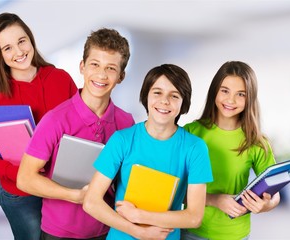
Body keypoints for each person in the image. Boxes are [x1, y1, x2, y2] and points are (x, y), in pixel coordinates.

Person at [16, 28, 135, 239]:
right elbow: (25, 179)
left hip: (106, 230)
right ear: (82, 67)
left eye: (110, 68)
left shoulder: (126, 122)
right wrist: (75, 196)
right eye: (95, 64)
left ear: (121, 76)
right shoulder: (55, 119)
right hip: (59, 233)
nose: (101, 75)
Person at [0, 12, 77, 240]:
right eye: (7, 48)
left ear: (30, 39)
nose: (19, 52)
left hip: (60, 186)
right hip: (20, 193)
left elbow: (79, 125)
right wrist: (15, 172)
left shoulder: (60, 79)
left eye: (21, 41)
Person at [83, 64, 213, 239]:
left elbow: (194, 217)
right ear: (146, 96)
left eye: (174, 96)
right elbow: (91, 202)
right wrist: (139, 231)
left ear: (183, 103)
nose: (165, 101)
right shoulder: (122, 140)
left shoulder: (195, 148)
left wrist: (140, 216)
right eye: (157, 92)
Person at [181, 61, 280, 240]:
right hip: (192, 231)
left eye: (241, 94)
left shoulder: (256, 141)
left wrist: (265, 205)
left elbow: (275, 194)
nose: (231, 100)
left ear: (250, 98)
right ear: (214, 92)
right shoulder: (191, 132)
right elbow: (175, 190)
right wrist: (215, 200)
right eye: (225, 90)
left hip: (236, 235)